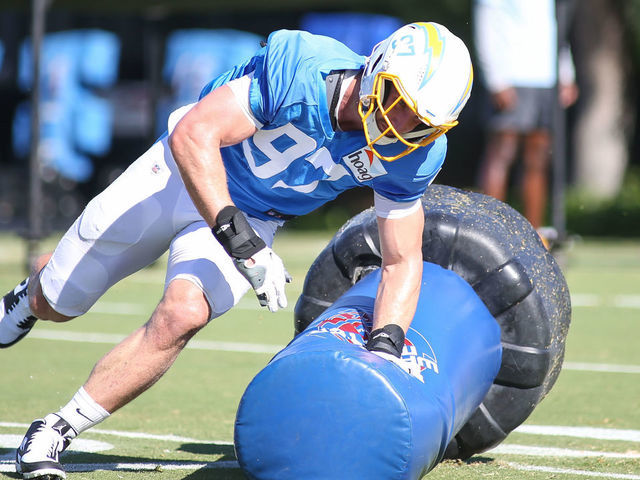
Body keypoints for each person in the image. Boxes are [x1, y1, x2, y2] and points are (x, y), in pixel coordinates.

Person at [1, 21, 473, 479]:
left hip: (256, 216)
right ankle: (29, 296)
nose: (402, 125)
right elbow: (194, 134)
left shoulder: (416, 152)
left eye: (422, 121)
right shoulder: (303, 67)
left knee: (184, 313)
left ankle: (56, 429)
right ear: (376, 68)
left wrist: (385, 346)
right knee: (56, 303)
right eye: (400, 103)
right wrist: (242, 243)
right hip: (180, 174)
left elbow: (401, 259)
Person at [473, 0, 578, 244]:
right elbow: (487, 27)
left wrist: (566, 72)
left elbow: (555, 29)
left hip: (545, 78)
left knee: (537, 159)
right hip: (512, 77)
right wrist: (496, 78)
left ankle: (534, 235)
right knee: (502, 153)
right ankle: (487, 233)